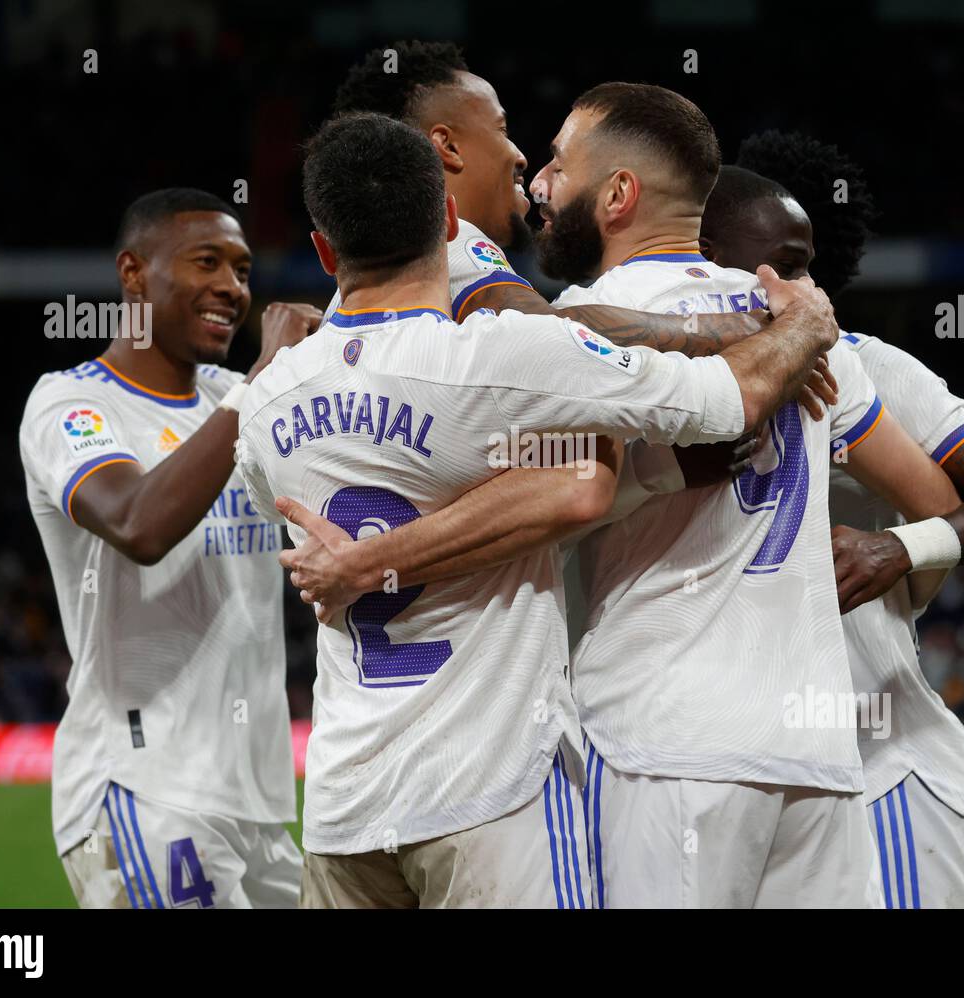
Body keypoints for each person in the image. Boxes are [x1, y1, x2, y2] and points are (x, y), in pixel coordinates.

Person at [235, 111, 841, 908]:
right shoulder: (508, 354)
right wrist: (808, 324)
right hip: (490, 796)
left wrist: (374, 556)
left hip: (347, 805)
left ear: (322, 249)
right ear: (448, 222)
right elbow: (734, 398)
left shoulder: (268, 399)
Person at [703, 132, 964, 906]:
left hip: (882, 772)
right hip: (738, 775)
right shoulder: (669, 381)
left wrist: (898, 546)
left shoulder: (872, 367)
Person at [18, 188, 317, 908]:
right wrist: (260, 385)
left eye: (243, 270)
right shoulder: (72, 405)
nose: (231, 287)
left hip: (257, 800)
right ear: (132, 273)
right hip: (144, 788)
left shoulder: (234, 395)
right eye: (206, 262)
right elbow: (138, 523)